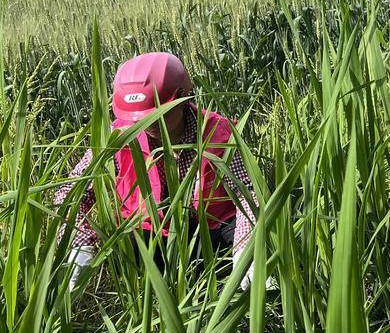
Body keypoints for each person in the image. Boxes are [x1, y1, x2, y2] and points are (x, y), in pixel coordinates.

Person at [55, 52, 263, 291]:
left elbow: (248, 192)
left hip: (213, 231)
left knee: (252, 246)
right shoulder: (117, 136)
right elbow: (72, 190)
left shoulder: (218, 133)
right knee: (122, 245)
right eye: (141, 118)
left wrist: (248, 249)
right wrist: (78, 245)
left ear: (184, 99)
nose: (150, 123)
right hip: (150, 233)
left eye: (159, 113)